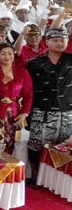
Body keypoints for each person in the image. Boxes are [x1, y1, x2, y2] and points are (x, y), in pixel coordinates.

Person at [25, 28, 72, 181]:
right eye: (56, 40)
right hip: (41, 111)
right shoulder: (34, 63)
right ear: (47, 42)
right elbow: (27, 89)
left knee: (63, 148)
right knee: (36, 146)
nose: (60, 43)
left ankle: (57, 181)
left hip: (66, 111)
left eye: (63, 40)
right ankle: (35, 176)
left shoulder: (70, 60)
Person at [0, 43, 32, 154]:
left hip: (14, 112)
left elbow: (28, 94)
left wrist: (25, 113)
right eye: (3, 54)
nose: (7, 57)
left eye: (10, 53)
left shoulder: (21, 71)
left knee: (12, 143)